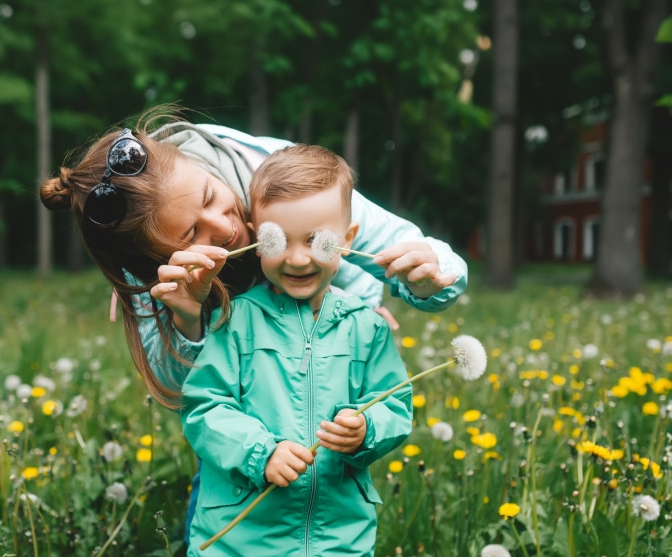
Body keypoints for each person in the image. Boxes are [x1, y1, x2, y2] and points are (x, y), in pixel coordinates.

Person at [39, 105, 465, 410]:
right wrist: (187, 319)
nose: (223, 229)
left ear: (202, 168)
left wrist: (426, 282)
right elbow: (182, 391)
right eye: (192, 234)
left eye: (210, 196)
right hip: (239, 355)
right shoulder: (146, 263)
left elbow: (421, 251)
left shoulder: (278, 175)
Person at [181, 144, 413, 556]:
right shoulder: (235, 320)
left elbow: (394, 404)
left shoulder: (367, 327)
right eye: (278, 240)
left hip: (338, 538)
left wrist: (366, 431)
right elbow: (205, 407)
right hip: (240, 540)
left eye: (318, 241)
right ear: (255, 235)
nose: (298, 257)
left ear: (348, 239)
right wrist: (261, 453)